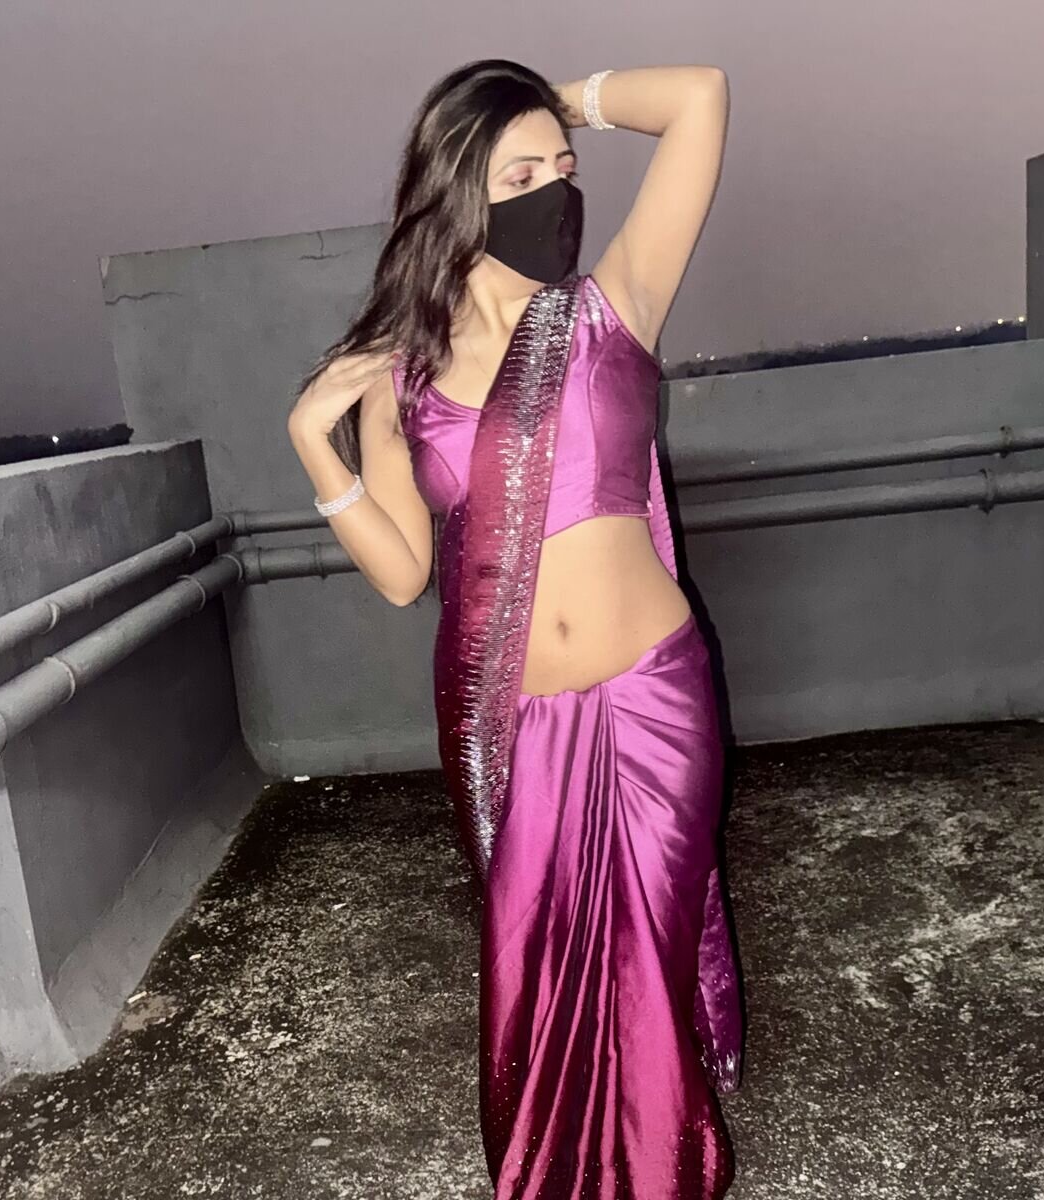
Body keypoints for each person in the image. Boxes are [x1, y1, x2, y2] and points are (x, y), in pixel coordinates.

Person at [287, 59, 741, 1200]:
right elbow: (405, 575)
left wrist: (555, 99)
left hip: (655, 703)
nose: (555, 194)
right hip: (516, 729)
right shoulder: (403, 379)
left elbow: (699, 96)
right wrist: (314, 449)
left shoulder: (614, 304)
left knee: (645, 972)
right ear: (457, 195)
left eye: (564, 169)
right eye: (520, 176)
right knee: (534, 985)